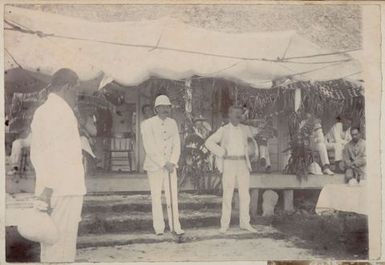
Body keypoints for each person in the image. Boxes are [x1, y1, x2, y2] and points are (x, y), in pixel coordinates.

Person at [30, 68, 86, 262]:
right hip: (62, 188)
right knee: (61, 246)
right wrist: (48, 188)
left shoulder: (46, 110)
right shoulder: (58, 111)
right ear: (67, 86)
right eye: (76, 89)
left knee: (52, 244)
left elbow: (39, 152)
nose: (77, 95)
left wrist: (46, 188)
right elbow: (52, 153)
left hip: (57, 187)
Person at [205, 105, 258, 233]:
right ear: (229, 115)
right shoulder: (223, 130)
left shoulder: (246, 129)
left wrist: (252, 149)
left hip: (242, 164)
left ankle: (245, 223)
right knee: (227, 194)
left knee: (245, 195)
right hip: (229, 164)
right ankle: (224, 225)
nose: (238, 117)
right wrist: (222, 152)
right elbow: (208, 142)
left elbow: (256, 138)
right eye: (235, 114)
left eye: (240, 114)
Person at [140, 95, 184, 235]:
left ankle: (175, 226)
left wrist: (172, 161)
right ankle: (159, 228)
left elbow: (177, 144)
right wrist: (163, 163)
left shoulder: (173, 123)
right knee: (156, 196)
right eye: (162, 107)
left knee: (173, 196)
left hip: (171, 166)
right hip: (155, 166)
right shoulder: (147, 124)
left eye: (168, 107)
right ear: (156, 109)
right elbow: (149, 147)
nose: (166, 109)